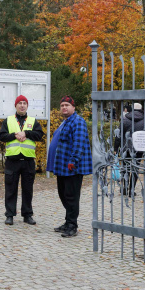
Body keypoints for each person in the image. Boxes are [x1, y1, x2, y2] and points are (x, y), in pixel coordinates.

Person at [46, 95, 92, 237]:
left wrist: (73, 161)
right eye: (62, 105)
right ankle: (68, 221)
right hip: (62, 167)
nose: (64, 107)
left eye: (67, 105)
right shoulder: (65, 122)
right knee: (63, 194)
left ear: (73, 107)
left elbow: (79, 144)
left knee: (71, 196)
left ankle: (72, 225)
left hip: (72, 167)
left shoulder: (77, 121)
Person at [0, 95, 45, 225]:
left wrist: (26, 133)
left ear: (27, 106)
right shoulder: (8, 120)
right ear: (16, 105)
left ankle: (27, 215)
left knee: (28, 189)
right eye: (20, 103)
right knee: (10, 189)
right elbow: (1, 136)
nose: (22, 105)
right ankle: (10, 215)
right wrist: (14, 135)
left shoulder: (33, 121)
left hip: (28, 160)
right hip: (12, 160)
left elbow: (40, 135)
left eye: (24, 103)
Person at [115, 103, 145, 197]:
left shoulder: (125, 119)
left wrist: (115, 147)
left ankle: (124, 188)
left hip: (125, 148)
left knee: (125, 168)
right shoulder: (144, 121)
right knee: (135, 169)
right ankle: (131, 190)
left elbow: (118, 135)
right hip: (138, 148)